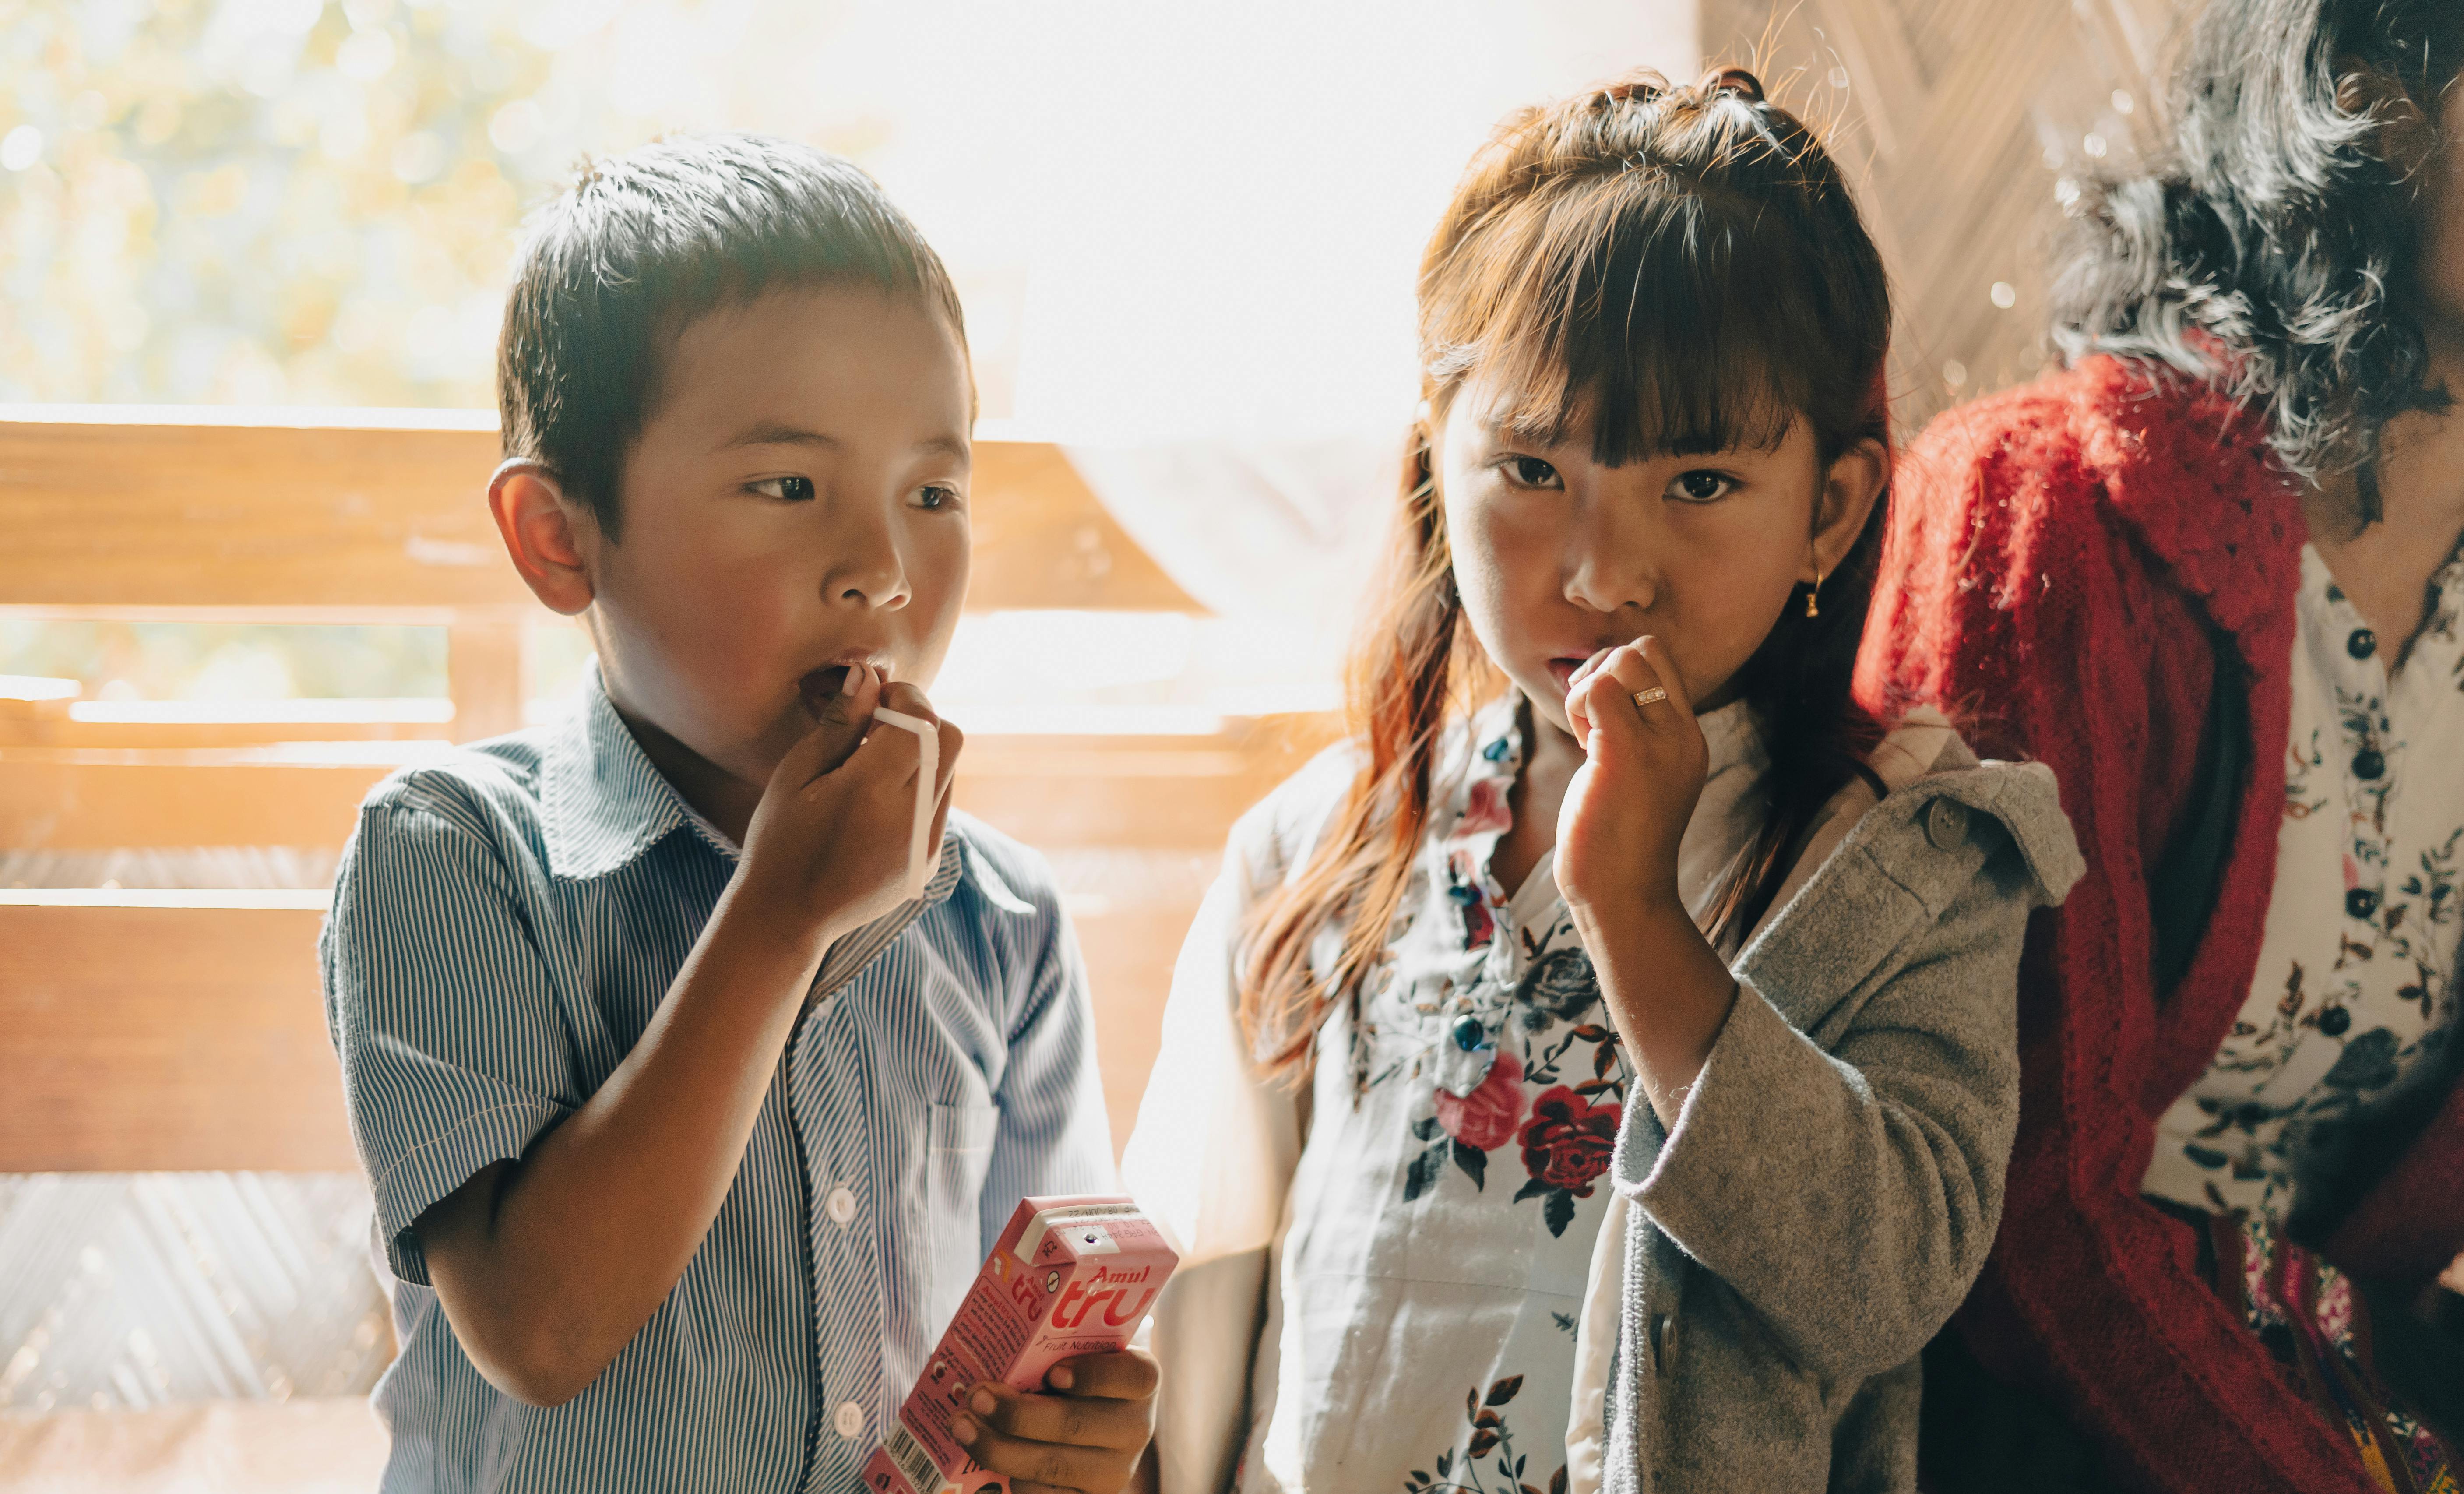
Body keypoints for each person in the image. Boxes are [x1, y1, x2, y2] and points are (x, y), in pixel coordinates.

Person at [1122, 69, 2081, 1494]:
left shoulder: (1905, 862)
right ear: (1433, 463)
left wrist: (1634, 915)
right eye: (1527, 466)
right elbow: (1189, 1284)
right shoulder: (1322, 842)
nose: (1601, 572)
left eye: (1695, 484)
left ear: (1829, 505)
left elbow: (1885, 1276)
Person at [318, 134, 1154, 1494]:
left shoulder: (1003, 916)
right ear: (559, 535)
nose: (882, 569)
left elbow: (1038, 1345)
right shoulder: (449, 852)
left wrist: (1083, 1439)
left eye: (933, 493)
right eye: (788, 487)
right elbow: (539, 1329)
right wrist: (780, 917)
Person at [1865, 3, 2464, 1490]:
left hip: (2338, 1365)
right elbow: (2018, 1221)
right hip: (2023, 1421)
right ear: (2376, 105)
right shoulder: (2038, 514)